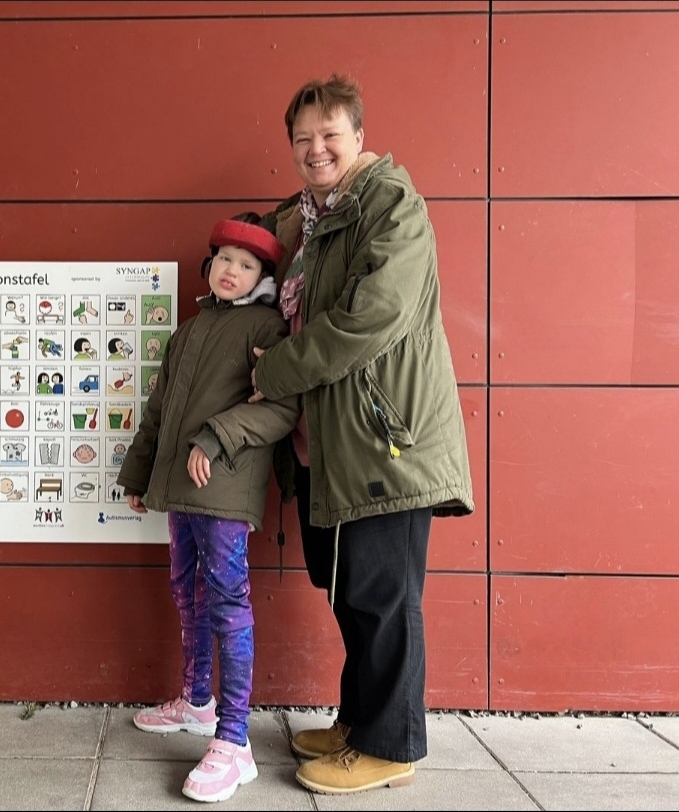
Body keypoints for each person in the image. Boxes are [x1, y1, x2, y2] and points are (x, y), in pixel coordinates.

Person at [247, 74, 475, 794]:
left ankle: (392, 746)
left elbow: (370, 319)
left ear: (357, 135)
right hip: (328, 442)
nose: (315, 149)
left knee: (383, 598)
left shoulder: (389, 204)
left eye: (328, 134)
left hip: (385, 441)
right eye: (301, 138)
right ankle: (359, 720)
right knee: (350, 592)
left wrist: (276, 370)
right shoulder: (307, 219)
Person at [118, 212, 300, 803]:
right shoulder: (188, 332)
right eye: (224, 258)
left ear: (263, 278)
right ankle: (197, 701)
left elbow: (283, 407)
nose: (232, 270)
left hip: (224, 489)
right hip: (179, 489)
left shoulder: (270, 330)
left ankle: (234, 739)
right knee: (184, 587)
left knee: (225, 599)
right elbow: (158, 412)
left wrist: (216, 435)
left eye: (247, 265)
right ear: (209, 264)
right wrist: (140, 473)